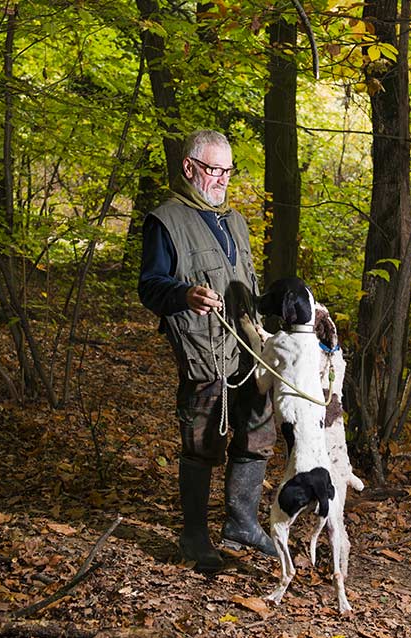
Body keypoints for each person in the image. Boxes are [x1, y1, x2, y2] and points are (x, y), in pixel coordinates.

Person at [138, 129, 277, 573]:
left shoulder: (235, 219)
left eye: (227, 171)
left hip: (248, 349)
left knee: (258, 434)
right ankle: (194, 536)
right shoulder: (165, 220)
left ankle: (241, 523)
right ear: (189, 168)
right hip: (204, 351)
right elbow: (150, 286)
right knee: (202, 442)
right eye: (214, 170)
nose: (222, 179)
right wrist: (184, 295)